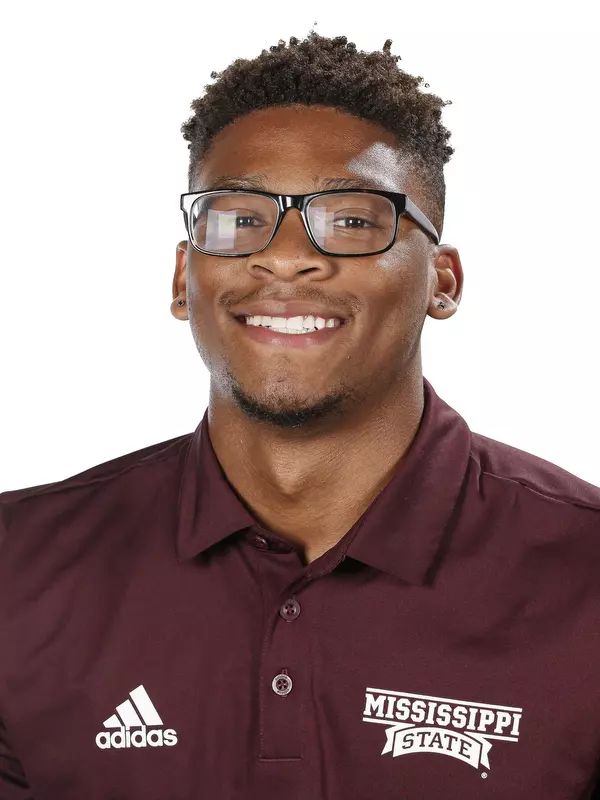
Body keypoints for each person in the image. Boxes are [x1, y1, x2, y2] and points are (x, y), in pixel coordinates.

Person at [1, 29, 599, 800]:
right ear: (186, 277)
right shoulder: (19, 569)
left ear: (443, 282)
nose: (285, 256)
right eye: (239, 218)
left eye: (352, 219)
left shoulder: (585, 576)